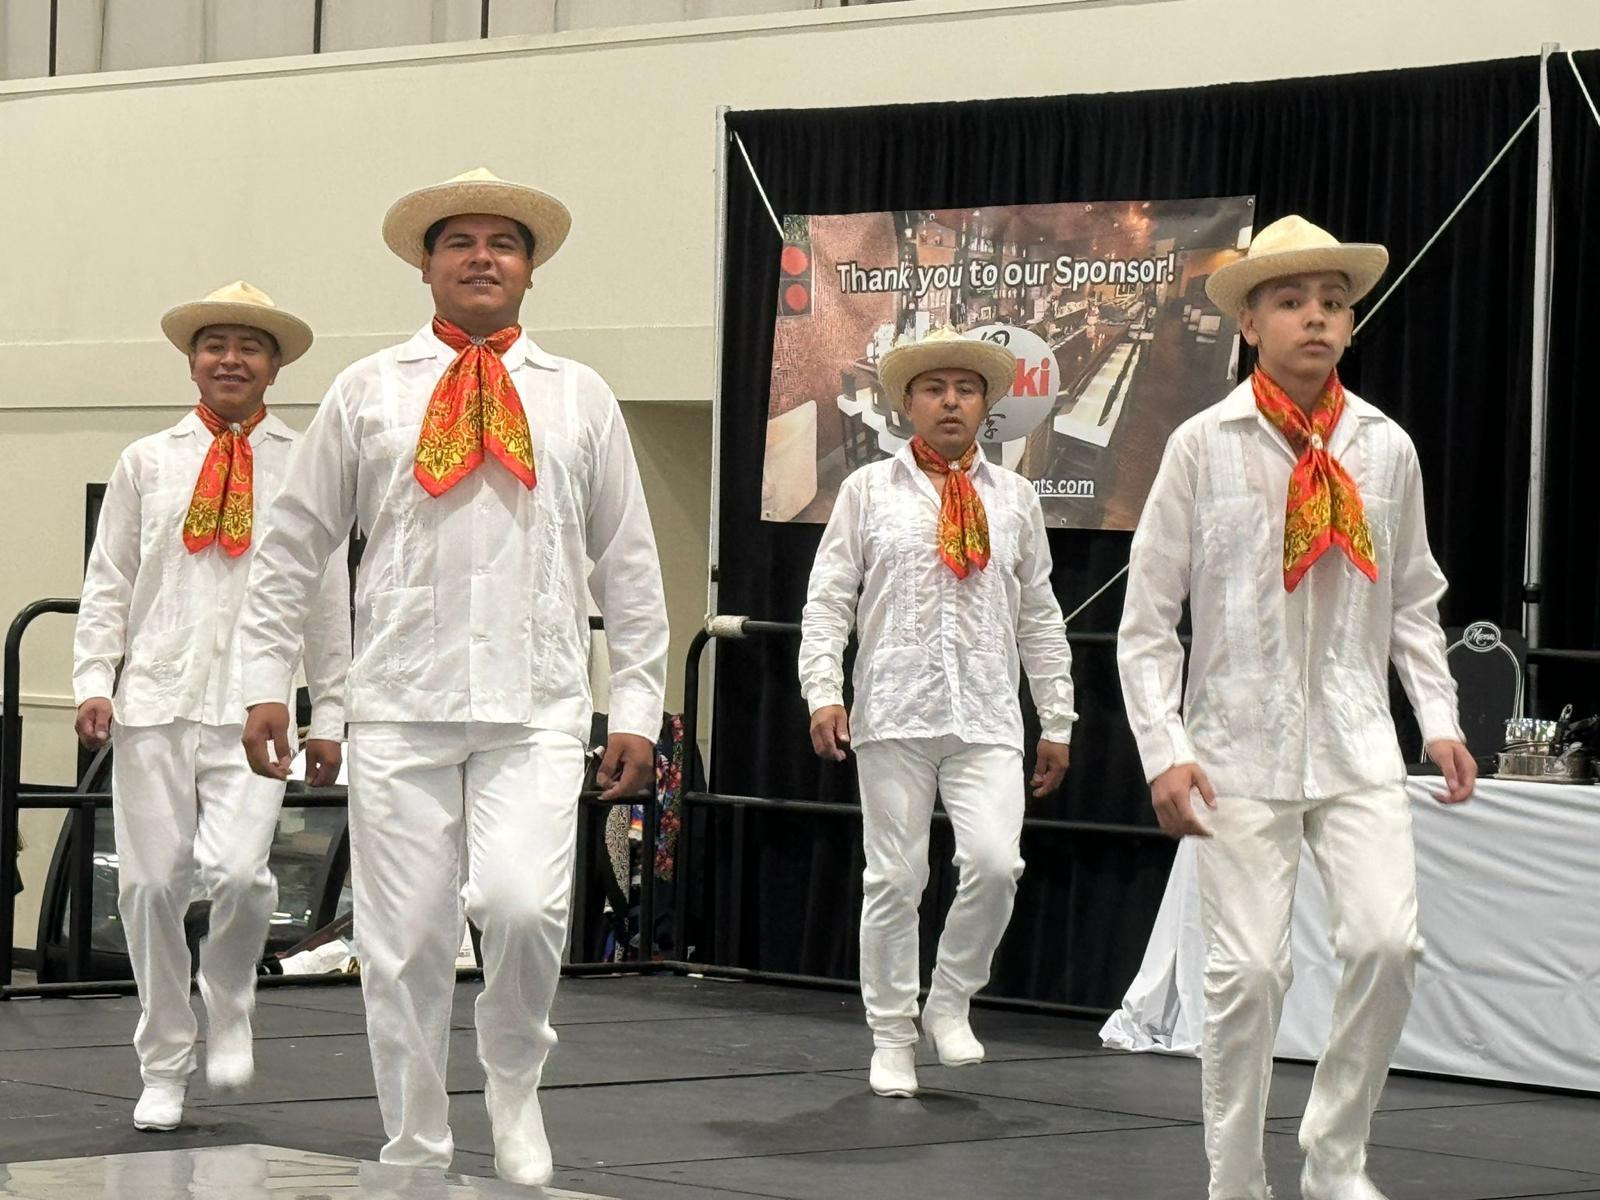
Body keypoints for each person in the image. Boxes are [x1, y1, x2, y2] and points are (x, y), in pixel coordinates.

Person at [237, 168, 669, 1187]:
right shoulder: (367, 390)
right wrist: (271, 680)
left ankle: (513, 1084)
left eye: (503, 243)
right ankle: (415, 1140)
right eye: (460, 242)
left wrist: (638, 702)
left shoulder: (579, 397)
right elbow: (295, 547)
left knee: (522, 908)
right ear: (427, 266)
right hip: (400, 702)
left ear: (529, 270)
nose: (482, 256)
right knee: (403, 943)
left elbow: (632, 563)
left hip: (537, 701)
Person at [1117, 215, 1475, 1200]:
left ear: (1351, 323)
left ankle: (1335, 1155)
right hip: (1234, 745)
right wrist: (1164, 749)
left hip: (1357, 739)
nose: (1316, 318)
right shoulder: (1202, 446)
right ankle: (1235, 1181)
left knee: (1384, 941)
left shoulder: (1382, 447)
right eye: (1291, 301)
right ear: (1249, 322)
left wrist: (1436, 719)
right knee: (1245, 979)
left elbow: (1411, 597)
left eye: (1332, 303)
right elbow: (1146, 622)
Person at [72, 281, 349, 1131]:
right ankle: (163, 1060)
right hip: (154, 699)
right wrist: (93, 677)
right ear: (193, 360)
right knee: (150, 887)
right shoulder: (146, 461)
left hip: (254, 712)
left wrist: (330, 712)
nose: (231, 359)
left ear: (274, 366)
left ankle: (229, 997)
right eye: (216, 344)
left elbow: (327, 597)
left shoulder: (306, 464)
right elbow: (109, 580)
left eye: (250, 347)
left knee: (239, 873)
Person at [799, 327, 1076, 1099]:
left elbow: (1040, 613)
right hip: (892, 709)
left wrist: (1058, 717)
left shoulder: (1015, 497)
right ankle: (890, 1033)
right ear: (908, 404)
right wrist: (823, 689)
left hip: (988, 713)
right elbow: (829, 600)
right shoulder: (867, 492)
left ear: (986, 403)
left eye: (965, 388)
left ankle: (949, 999)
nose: (950, 401)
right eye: (933, 388)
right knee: (895, 879)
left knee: (995, 864)